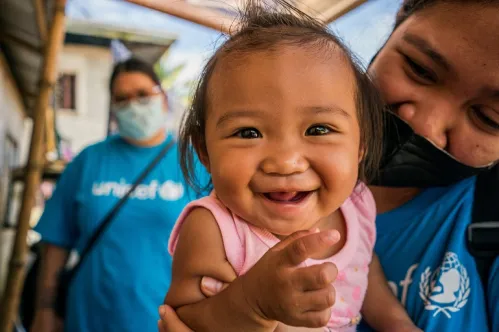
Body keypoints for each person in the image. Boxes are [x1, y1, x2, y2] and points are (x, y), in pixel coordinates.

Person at [158, 0, 499, 331]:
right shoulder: (213, 229)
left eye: (488, 117)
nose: (286, 161)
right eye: (248, 132)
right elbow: (183, 316)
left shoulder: (354, 203)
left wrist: (396, 323)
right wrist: (250, 305)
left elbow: (363, 266)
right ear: (203, 150)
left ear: (362, 142)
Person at [30, 57, 207, 332]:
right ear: (113, 108)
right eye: (122, 99)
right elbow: (56, 244)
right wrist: (45, 309)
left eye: (142, 94)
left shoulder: (194, 162)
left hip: (169, 322)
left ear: (162, 97)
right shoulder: (88, 161)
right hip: (88, 318)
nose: (133, 106)